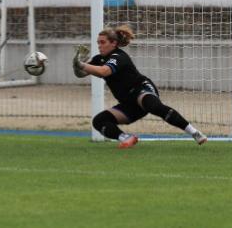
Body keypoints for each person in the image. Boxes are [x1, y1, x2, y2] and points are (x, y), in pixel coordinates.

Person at [73, 25, 208, 148]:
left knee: (152, 105)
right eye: (98, 43)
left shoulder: (118, 56)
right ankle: (126, 138)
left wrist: (81, 64)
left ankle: (194, 133)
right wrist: (77, 63)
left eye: (102, 42)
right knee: (99, 121)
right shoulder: (98, 59)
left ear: (114, 43)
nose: (99, 46)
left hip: (141, 89)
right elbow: (80, 74)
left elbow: (103, 71)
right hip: (128, 103)